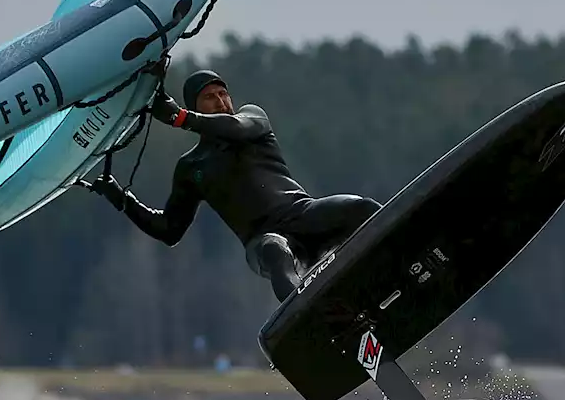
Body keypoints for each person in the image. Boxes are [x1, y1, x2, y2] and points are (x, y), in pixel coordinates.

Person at [80, 68, 382, 302]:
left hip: (302, 213)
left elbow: (234, 127)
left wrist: (180, 118)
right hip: (262, 240)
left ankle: (406, 260)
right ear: (195, 106)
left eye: (223, 94)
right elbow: (169, 230)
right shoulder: (191, 167)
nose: (221, 101)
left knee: (361, 208)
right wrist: (122, 199)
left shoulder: (252, 120)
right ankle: (313, 318)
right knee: (277, 251)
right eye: (210, 97)